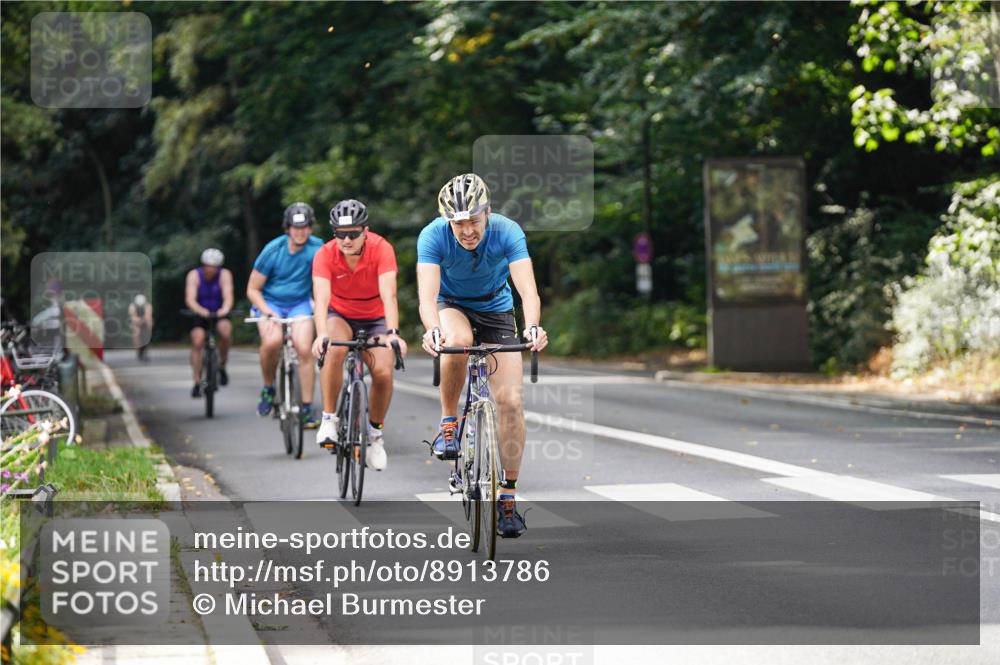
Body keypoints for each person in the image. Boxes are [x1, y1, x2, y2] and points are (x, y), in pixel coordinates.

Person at [417, 173, 548, 538]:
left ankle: (507, 499)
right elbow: (427, 297)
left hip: (497, 310)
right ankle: (448, 425)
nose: (467, 231)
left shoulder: (507, 231)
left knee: (510, 402)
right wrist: (432, 329)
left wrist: (533, 326)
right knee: (456, 340)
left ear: (487, 212)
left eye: (473, 221)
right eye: (458, 224)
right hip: (452, 305)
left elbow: (529, 292)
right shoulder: (432, 236)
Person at [311, 199, 407, 471]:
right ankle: (329, 418)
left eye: (353, 233)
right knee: (333, 347)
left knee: (383, 373)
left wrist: (392, 333)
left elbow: (389, 294)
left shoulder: (381, 248)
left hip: (375, 318)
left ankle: (375, 436)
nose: (347, 240)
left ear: (366, 230)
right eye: (341, 234)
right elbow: (320, 299)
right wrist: (320, 335)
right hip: (340, 315)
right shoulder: (325, 254)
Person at [247, 202, 324, 426]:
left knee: (303, 348)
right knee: (272, 341)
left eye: (305, 227)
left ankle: (307, 407)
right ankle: (268, 388)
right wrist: (267, 311)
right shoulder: (273, 250)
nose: (300, 232)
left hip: (300, 304)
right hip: (270, 303)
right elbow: (252, 289)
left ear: (310, 228)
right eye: (295, 227)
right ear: (287, 228)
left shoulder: (318, 248)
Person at [184, 248, 234, 397]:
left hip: (219, 312)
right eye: (208, 266)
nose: (210, 270)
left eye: (214, 267)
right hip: (200, 313)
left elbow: (228, 295)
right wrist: (200, 310)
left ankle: (222, 365)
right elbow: (190, 298)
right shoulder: (194, 275)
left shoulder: (225, 275)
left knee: (225, 332)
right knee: (198, 340)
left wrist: (224, 309)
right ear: (203, 265)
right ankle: (197, 380)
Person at [128, 294, 153, 361]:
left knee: (147, 332)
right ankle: (139, 351)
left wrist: (146, 323)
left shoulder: (148, 306)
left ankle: (145, 350)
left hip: (145, 322)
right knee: (136, 335)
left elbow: (148, 316)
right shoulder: (132, 306)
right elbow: (133, 317)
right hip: (136, 323)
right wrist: (139, 322)